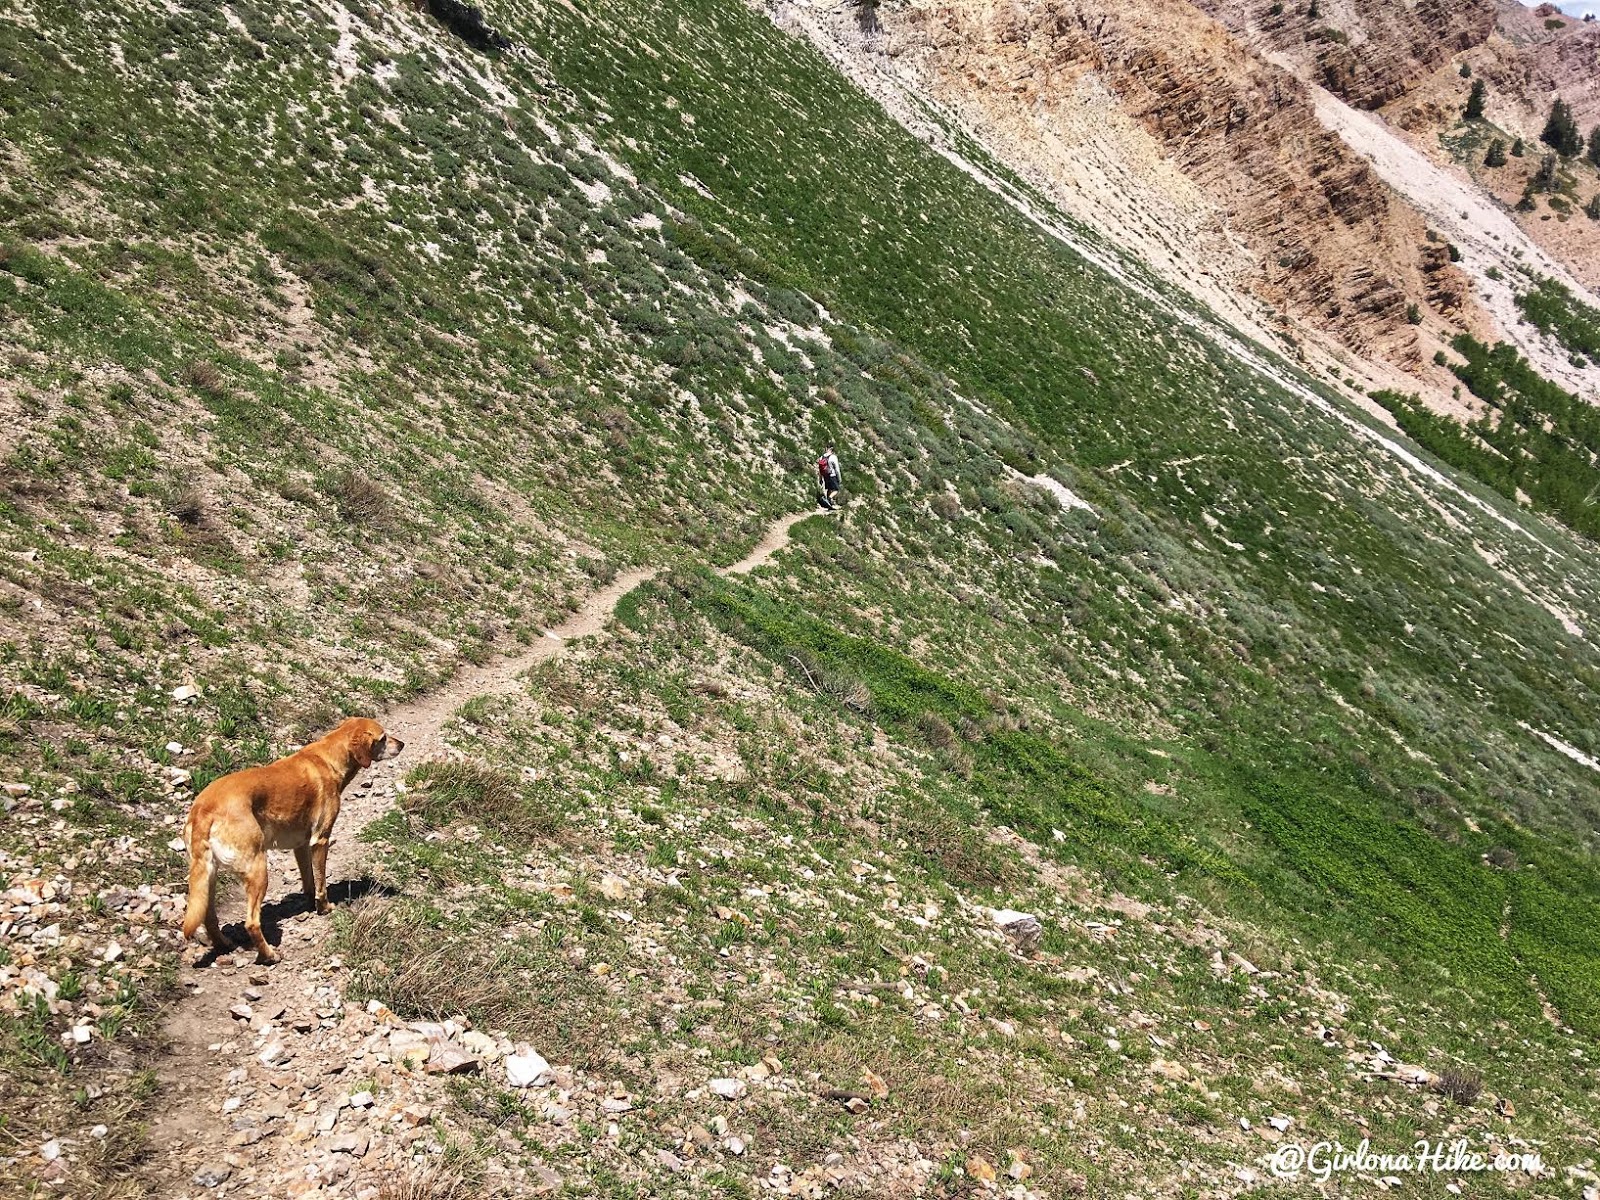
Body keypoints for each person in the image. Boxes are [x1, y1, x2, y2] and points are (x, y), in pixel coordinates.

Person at [816, 445, 842, 510]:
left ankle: (828, 504)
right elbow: (837, 469)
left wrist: (820, 478)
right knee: (836, 489)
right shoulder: (833, 457)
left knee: (829, 489)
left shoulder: (822, 457)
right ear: (832, 449)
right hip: (832, 475)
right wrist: (839, 478)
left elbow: (820, 469)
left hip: (825, 475)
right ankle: (829, 499)